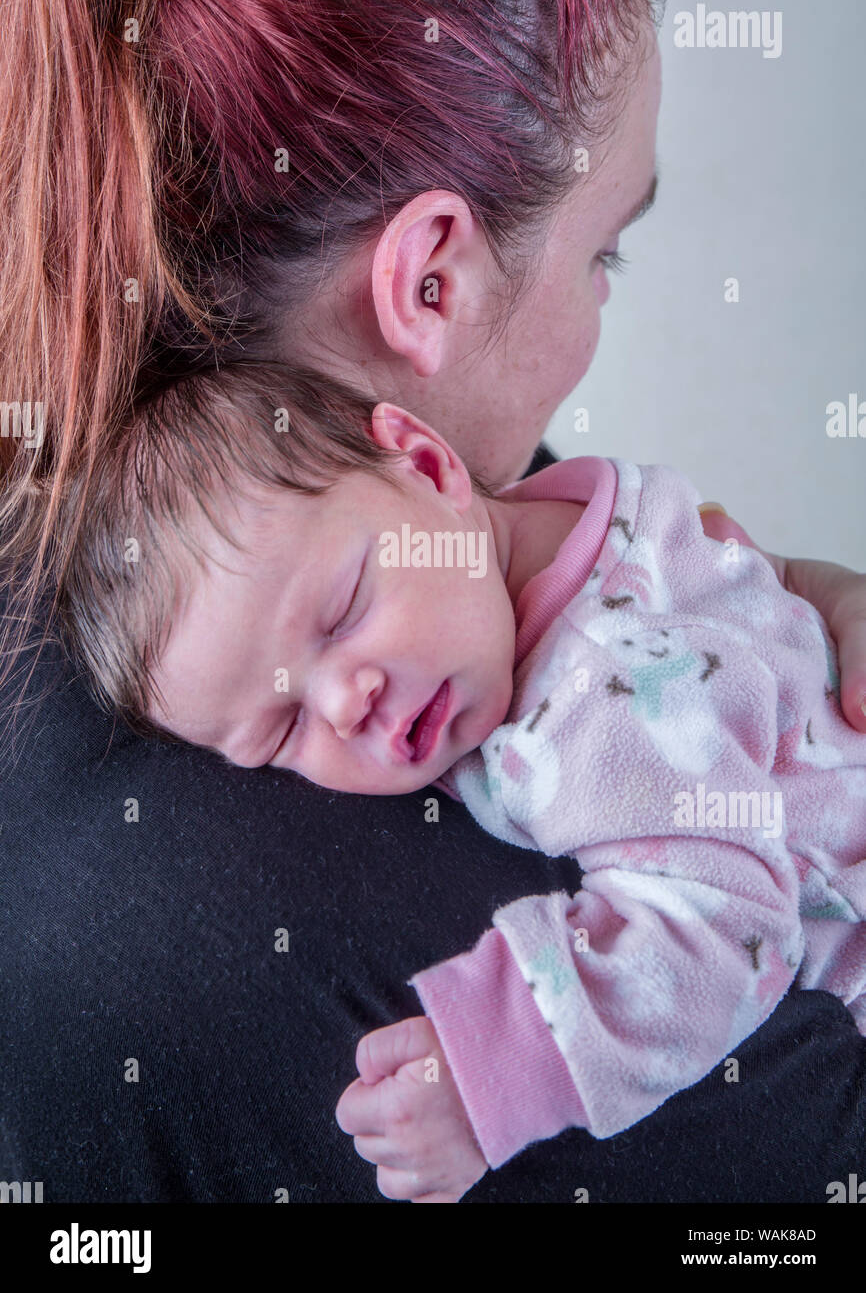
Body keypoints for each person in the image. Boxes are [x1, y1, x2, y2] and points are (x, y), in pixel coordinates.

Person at [1, 0, 865, 1204]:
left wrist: (796, 601)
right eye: (603, 249)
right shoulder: (346, 930)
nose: (341, 698)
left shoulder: (114, 606)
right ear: (428, 281)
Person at [49, 362, 866, 1202]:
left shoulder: (591, 700)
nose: (341, 703)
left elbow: (722, 928)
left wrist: (495, 1067)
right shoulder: (591, 509)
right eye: (283, 728)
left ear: (432, 467)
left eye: (343, 610)